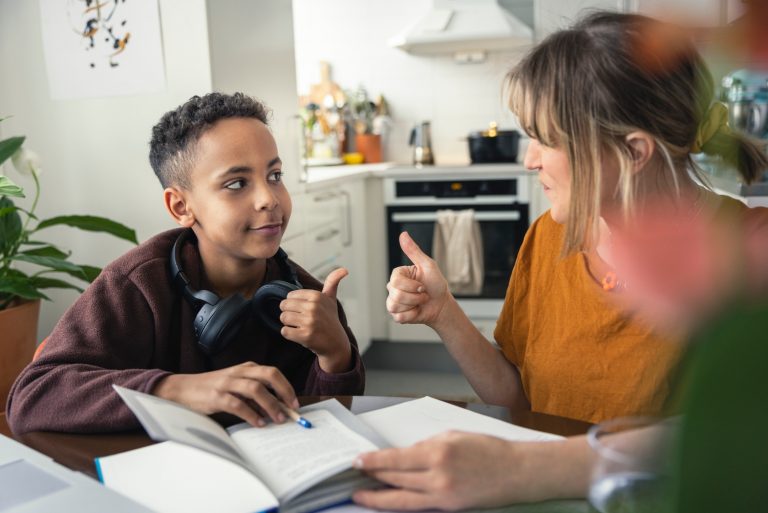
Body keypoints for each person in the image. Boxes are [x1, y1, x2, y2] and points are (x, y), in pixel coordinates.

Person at [352, 11, 768, 511]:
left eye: (547, 139)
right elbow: (521, 399)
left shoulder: (749, 255)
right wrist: (445, 315)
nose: (529, 160)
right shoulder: (550, 237)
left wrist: (524, 469)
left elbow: (735, 437)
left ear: (633, 152)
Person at [6, 92, 364, 435]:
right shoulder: (137, 283)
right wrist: (175, 389)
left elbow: (330, 422)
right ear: (181, 207)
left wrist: (336, 354)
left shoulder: (307, 296)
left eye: (275, 176)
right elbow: (31, 396)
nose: (268, 199)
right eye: (237, 183)